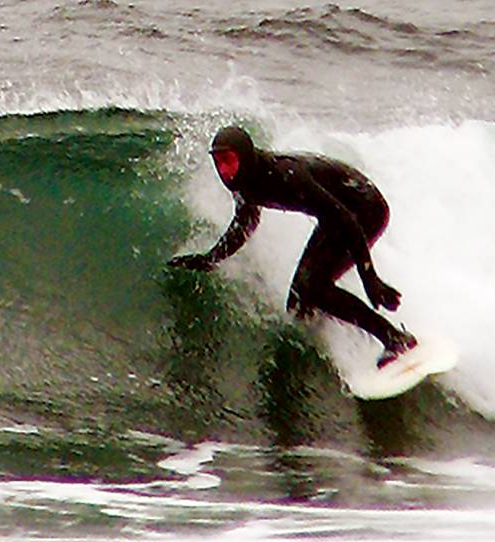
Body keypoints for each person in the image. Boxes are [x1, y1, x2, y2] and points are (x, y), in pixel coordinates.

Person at [169, 125, 419, 367]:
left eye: (229, 160)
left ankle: (395, 339)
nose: (223, 170)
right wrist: (210, 259)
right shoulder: (244, 181)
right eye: (218, 162)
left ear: (244, 156)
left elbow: (347, 219)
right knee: (299, 304)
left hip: (364, 208)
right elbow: (246, 222)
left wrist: (370, 279)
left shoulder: (286, 175)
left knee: (315, 288)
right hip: (337, 215)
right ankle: (354, 339)